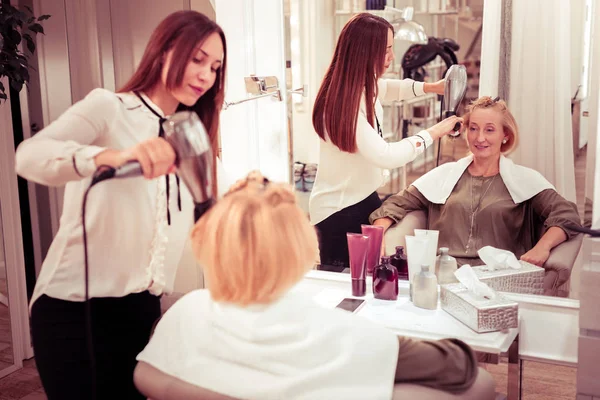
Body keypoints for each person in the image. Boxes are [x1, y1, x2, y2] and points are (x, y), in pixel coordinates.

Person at [14, 11, 228, 400]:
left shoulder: (189, 134)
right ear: (164, 50)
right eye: (197, 59)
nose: (205, 76)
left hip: (140, 310)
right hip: (73, 310)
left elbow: (223, 203)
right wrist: (111, 157)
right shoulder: (109, 108)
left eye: (215, 67)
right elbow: (28, 157)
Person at [135, 172, 488, 400]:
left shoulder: (187, 311)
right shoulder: (333, 331)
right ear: (300, 245)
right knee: (480, 384)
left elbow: (146, 376)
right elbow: (459, 367)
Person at [309, 13, 463, 271]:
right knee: (343, 285)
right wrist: (433, 132)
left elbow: (390, 88)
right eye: (386, 50)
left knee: (371, 274)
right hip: (338, 210)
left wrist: (431, 88)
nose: (392, 56)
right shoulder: (340, 103)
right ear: (365, 52)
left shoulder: (359, 83)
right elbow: (387, 156)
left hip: (363, 196)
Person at [370, 96, 582, 267]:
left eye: (489, 130)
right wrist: (378, 234)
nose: (479, 138)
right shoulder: (445, 175)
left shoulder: (524, 180)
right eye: (473, 128)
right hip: (444, 275)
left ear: (505, 135)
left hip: (498, 279)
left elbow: (566, 215)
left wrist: (543, 247)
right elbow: (395, 203)